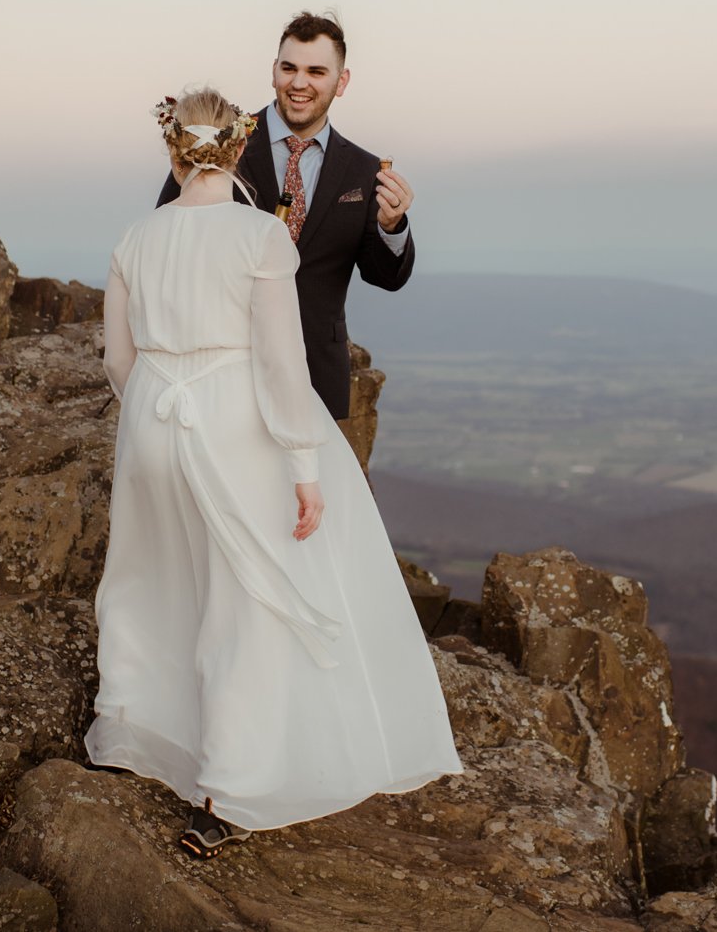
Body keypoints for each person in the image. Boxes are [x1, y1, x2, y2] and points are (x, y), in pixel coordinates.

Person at [87, 86, 461, 858]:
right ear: (236, 144)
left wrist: (157, 406)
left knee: (154, 583)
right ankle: (229, 786)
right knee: (244, 600)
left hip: (151, 422)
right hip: (232, 420)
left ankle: (135, 736)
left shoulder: (134, 237)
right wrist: (304, 463)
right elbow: (284, 366)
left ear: (173, 149)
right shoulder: (261, 238)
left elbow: (117, 360)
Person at [156, 12, 413, 421]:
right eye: (289, 68)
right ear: (273, 70)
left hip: (317, 379)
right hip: (220, 378)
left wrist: (391, 226)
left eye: (316, 71)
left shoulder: (364, 171)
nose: (299, 83)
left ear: (341, 81)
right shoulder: (221, 142)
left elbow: (387, 277)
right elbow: (169, 234)